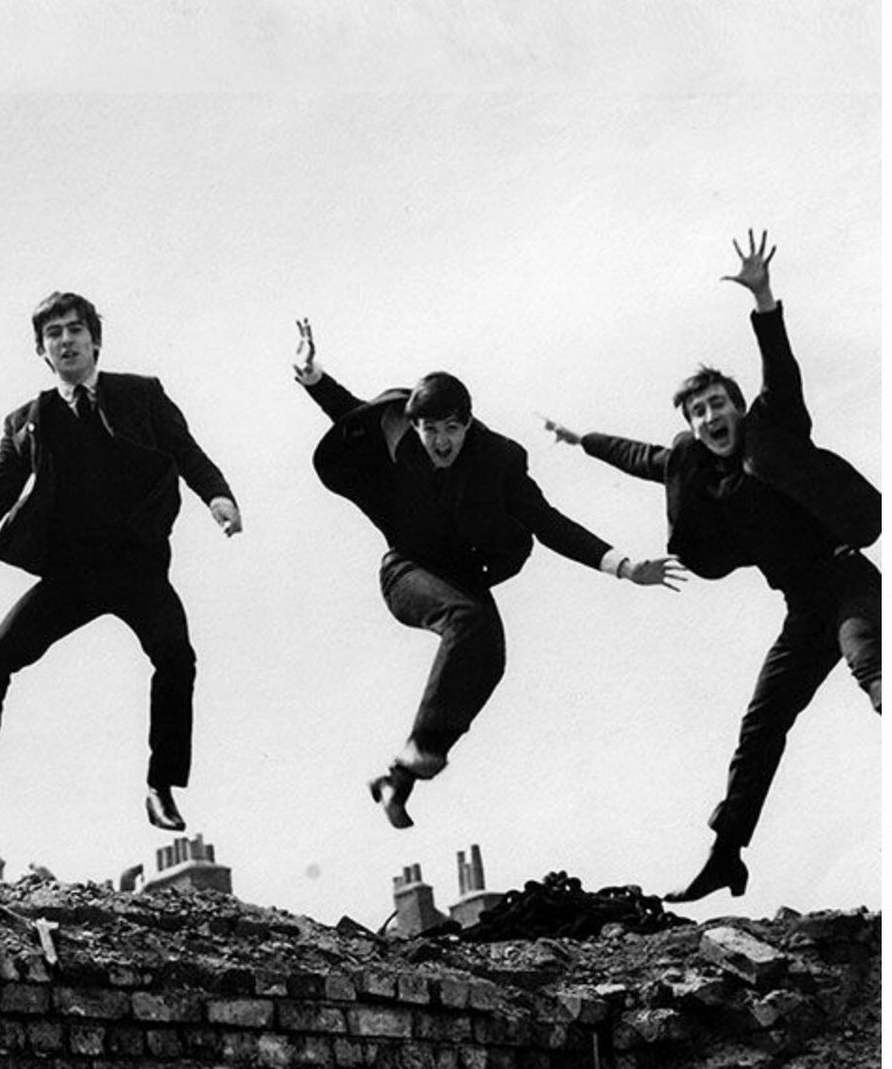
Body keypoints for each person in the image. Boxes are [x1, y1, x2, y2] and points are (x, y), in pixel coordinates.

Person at [542, 231, 881, 902]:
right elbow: (642, 457)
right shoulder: (696, 470)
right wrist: (582, 440)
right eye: (699, 413)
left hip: (848, 580)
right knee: (760, 725)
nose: (710, 417)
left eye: (718, 404)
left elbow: (780, 369)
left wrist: (762, 298)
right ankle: (726, 854)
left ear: (735, 406)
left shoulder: (774, 429)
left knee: (868, 660)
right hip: (801, 607)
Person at [293, 320, 684, 829]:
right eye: (429, 430)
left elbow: (546, 522)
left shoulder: (498, 460)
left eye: (451, 429)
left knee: (490, 659)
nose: (439, 442)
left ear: (468, 424)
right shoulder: (397, 439)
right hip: (406, 571)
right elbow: (351, 413)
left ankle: (399, 779)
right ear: (415, 427)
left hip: (463, 574)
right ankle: (419, 753)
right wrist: (312, 376)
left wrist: (624, 567)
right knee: (467, 623)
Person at [0, 291, 240, 835]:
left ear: (95, 340)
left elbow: (187, 452)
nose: (66, 340)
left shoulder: (141, 395)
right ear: (42, 350)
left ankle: (162, 786)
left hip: (138, 567)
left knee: (176, 656)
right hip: (71, 575)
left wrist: (218, 497)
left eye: (75, 330)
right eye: (53, 333)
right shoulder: (27, 420)